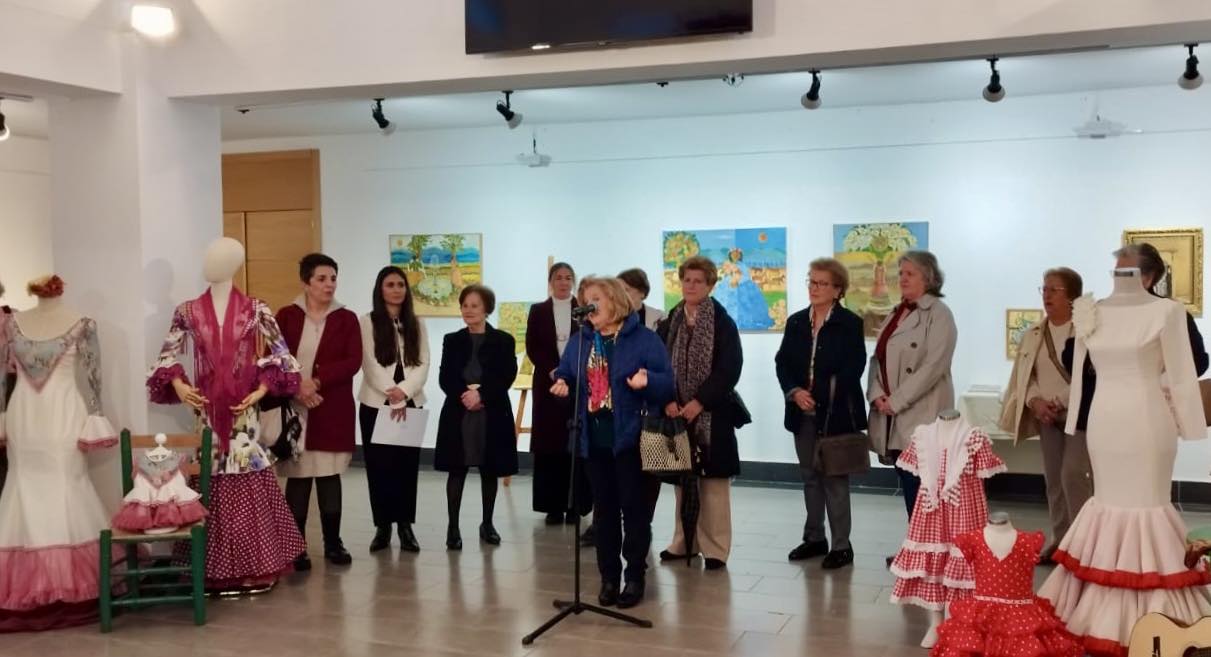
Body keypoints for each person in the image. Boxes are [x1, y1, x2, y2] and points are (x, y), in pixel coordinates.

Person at [551, 276, 673, 609]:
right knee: (603, 514)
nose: (588, 305)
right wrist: (562, 382)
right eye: (585, 300)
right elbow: (565, 372)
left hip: (631, 440)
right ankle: (608, 577)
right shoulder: (581, 341)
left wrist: (648, 381)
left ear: (616, 301)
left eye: (596, 298)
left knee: (634, 512)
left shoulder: (644, 339)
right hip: (594, 441)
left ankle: (634, 577)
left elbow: (667, 384)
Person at [1063, 244, 1210, 452]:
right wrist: (1096, 366)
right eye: (1116, 273)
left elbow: (1196, 362)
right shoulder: (1095, 312)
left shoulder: (1168, 312)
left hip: (1149, 412)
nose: (1119, 280)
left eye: (1127, 273)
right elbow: (1072, 359)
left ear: (1148, 278)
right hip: (1101, 413)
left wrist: (1161, 381)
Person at [776, 258, 866, 569]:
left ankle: (842, 545)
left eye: (822, 283)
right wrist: (795, 392)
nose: (814, 288)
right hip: (801, 412)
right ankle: (815, 538)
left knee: (835, 479)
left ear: (838, 289)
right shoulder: (796, 322)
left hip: (835, 413)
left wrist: (819, 396)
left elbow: (853, 369)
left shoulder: (850, 323)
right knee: (809, 477)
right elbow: (782, 363)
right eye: (811, 282)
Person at [656, 255, 744, 571]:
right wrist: (668, 400)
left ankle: (716, 548)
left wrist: (700, 401)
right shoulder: (671, 321)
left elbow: (729, 369)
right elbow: (659, 365)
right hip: (676, 414)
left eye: (698, 281)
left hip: (712, 415)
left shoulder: (722, 323)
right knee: (682, 482)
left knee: (713, 484)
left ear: (710, 285)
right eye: (686, 280)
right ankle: (684, 542)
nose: (691, 286)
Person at [275, 253, 363, 569]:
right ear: (306, 282)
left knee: (328, 475)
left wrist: (317, 381)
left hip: (331, 406)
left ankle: (333, 543)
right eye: (322, 279)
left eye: (333, 278)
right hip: (295, 408)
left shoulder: (347, 318)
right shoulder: (286, 315)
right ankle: (296, 547)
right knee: (298, 477)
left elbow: (353, 361)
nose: (329, 284)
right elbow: (275, 356)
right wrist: (297, 386)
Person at [998, 268, 1091, 564]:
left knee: (1074, 476)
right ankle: (1061, 540)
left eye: (1054, 290)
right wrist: (1036, 401)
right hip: (1047, 416)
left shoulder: (1086, 333)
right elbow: (1026, 376)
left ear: (1072, 296)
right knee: (1054, 480)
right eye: (1044, 289)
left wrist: (1058, 401)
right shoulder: (1033, 334)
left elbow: (1088, 377)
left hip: (1079, 415)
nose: (1047, 295)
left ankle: (1082, 544)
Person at [867, 250, 957, 528]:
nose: (902, 279)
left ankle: (928, 545)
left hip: (921, 413)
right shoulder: (897, 312)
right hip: (892, 413)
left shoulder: (939, 314)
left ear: (928, 278)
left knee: (923, 487)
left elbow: (934, 366)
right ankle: (917, 542)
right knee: (908, 483)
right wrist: (876, 394)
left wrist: (896, 401)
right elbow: (878, 359)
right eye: (901, 273)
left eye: (910, 274)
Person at [434, 284, 519, 550]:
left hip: (491, 410)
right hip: (459, 411)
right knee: (456, 469)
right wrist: (465, 395)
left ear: (487, 309)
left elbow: (506, 375)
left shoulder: (504, 340)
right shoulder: (452, 340)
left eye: (475, 305)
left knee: (489, 469)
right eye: (465, 305)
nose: (468, 310)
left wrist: (481, 395)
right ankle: (453, 527)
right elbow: (445, 377)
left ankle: (487, 524)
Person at [359, 266, 430, 553]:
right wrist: (392, 393)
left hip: (410, 401)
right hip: (377, 403)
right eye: (390, 284)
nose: (397, 289)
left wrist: (405, 392)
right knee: (380, 468)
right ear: (380, 289)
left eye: (401, 284)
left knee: (405, 468)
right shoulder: (367, 321)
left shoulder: (417, 322)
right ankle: (383, 527)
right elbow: (369, 362)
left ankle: (405, 526)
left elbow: (423, 362)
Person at [526, 262, 591, 525]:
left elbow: (589, 343)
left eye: (568, 277)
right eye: (558, 277)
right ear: (550, 282)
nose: (563, 282)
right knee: (549, 444)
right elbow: (532, 345)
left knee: (574, 443)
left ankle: (575, 505)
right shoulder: (538, 310)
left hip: (577, 384)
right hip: (547, 382)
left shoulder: (583, 310)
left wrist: (570, 372)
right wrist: (553, 370)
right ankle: (552, 506)